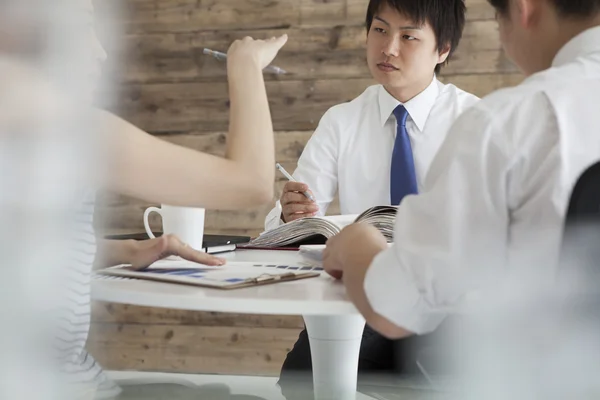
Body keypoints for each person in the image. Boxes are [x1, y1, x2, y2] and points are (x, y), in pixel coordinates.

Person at [0, 0, 288, 398]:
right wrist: (246, 65)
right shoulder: (67, 131)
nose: (99, 50)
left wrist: (122, 249)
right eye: (84, 24)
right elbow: (251, 183)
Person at [322, 0, 600, 359]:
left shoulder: (506, 122)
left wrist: (358, 242)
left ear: (524, 9)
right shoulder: (342, 120)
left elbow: (401, 304)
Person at [273, 0, 479, 391]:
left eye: (409, 37)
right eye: (380, 30)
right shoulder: (342, 121)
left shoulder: (474, 120)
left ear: (444, 49)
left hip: (444, 307)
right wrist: (290, 215)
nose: (389, 48)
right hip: (359, 301)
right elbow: (283, 223)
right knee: (298, 382)